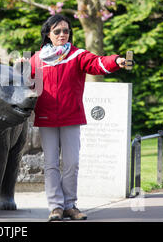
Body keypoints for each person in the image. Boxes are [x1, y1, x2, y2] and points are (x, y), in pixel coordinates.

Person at [25, 14, 127, 221]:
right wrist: (20, 67)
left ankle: (70, 205)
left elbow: (98, 63)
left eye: (66, 31)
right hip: (46, 117)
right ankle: (55, 207)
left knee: (72, 163)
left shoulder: (77, 55)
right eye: (57, 31)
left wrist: (116, 60)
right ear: (48, 34)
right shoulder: (36, 59)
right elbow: (26, 84)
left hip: (71, 116)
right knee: (51, 164)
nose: (62, 34)